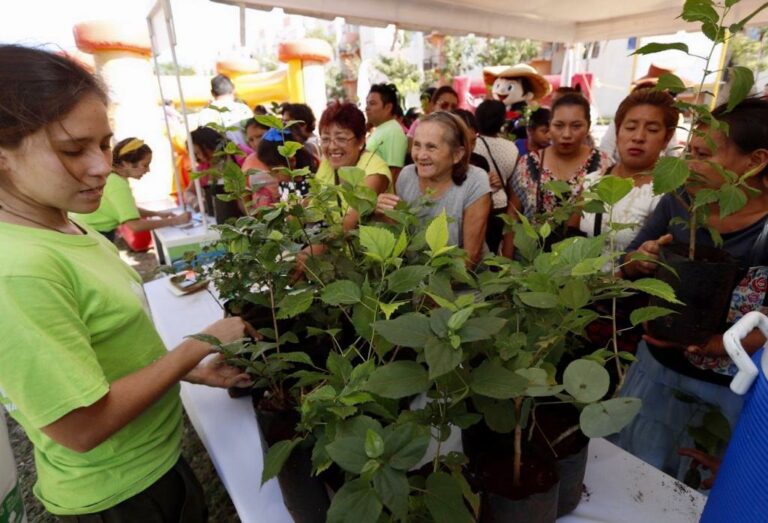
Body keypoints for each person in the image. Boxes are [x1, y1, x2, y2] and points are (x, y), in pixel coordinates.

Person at [0, 44, 255, 520]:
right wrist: (196, 346)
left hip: (150, 463)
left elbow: (108, 355)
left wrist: (186, 373)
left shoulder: (66, 225)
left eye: (102, 144)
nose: (101, 166)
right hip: (118, 497)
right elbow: (79, 426)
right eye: (73, 149)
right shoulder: (18, 270)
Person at [611, 97, 768, 480]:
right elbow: (628, 264)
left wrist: (717, 344)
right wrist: (642, 260)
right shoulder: (679, 201)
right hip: (657, 371)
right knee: (632, 476)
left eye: (704, 155)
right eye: (690, 152)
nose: (690, 165)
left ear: (756, 161)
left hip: (728, 391)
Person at [502, 93, 611, 258]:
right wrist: (507, 265)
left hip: (581, 266)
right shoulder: (528, 164)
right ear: (550, 126)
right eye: (559, 125)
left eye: (576, 126)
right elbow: (513, 215)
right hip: (530, 264)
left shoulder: (604, 165)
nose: (566, 134)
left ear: (588, 127)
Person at [376, 111, 491, 267]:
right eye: (417, 145)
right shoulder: (406, 176)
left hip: (464, 286)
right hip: (417, 279)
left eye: (431, 147)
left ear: (457, 154)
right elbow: (404, 237)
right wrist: (383, 215)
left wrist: (430, 289)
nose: (421, 155)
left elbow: (470, 257)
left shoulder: (475, 181)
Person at [578, 88, 679, 257]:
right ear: (617, 133)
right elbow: (571, 235)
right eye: (630, 127)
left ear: (666, 139)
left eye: (652, 130)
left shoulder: (668, 195)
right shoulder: (592, 182)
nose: (638, 137)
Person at [72, 138, 190, 241]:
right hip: (94, 234)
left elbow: (126, 208)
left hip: (85, 230)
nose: (148, 170)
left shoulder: (112, 177)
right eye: (145, 165)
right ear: (126, 163)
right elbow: (135, 225)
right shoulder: (118, 184)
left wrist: (157, 214)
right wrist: (176, 221)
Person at [316, 102, 392, 232]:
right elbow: (311, 205)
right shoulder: (327, 162)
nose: (332, 147)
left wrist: (304, 253)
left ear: (361, 141)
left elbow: (347, 226)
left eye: (341, 139)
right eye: (326, 139)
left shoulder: (374, 171)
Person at [474, 99, 520, 253]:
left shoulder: (472, 144)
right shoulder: (511, 148)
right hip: (501, 205)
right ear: (501, 120)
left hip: (476, 202)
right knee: (493, 249)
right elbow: (514, 183)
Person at [365, 83, 408, 182]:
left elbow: (394, 172)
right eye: (367, 103)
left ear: (388, 107)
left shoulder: (393, 131)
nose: (367, 108)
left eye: (372, 103)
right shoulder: (382, 128)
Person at [196, 74, 252, 148]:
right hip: (248, 156)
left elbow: (203, 141)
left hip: (221, 158)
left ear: (212, 93)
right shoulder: (244, 109)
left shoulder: (205, 113)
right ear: (233, 90)